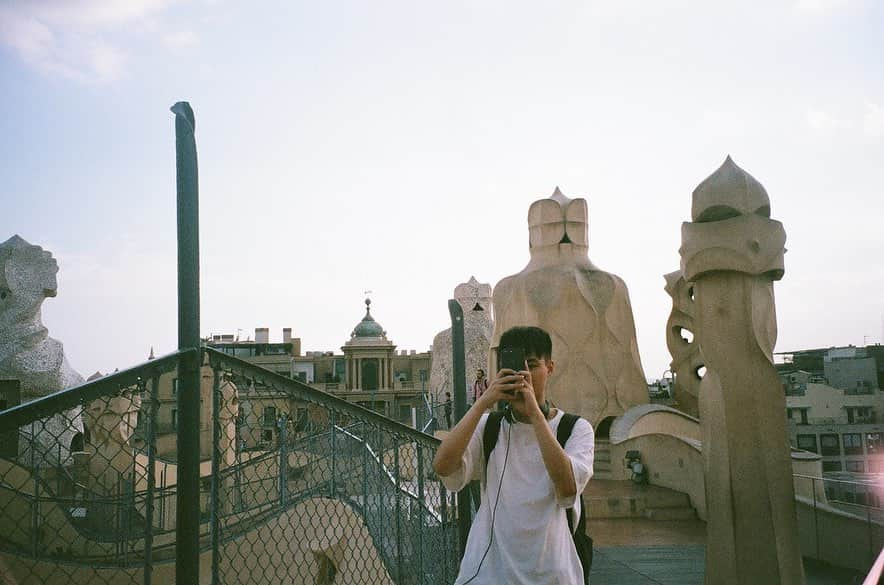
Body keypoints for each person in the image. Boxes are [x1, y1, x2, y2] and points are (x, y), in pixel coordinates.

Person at [432, 326, 595, 585]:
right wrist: (483, 402)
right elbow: (442, 465)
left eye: (532, 365)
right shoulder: (490, 426)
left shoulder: (576, 429)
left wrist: (534, 412)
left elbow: (567, 486)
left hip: (551, 573)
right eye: (516, 366)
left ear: (549, 368)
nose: (524, 375)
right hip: (488, 573)